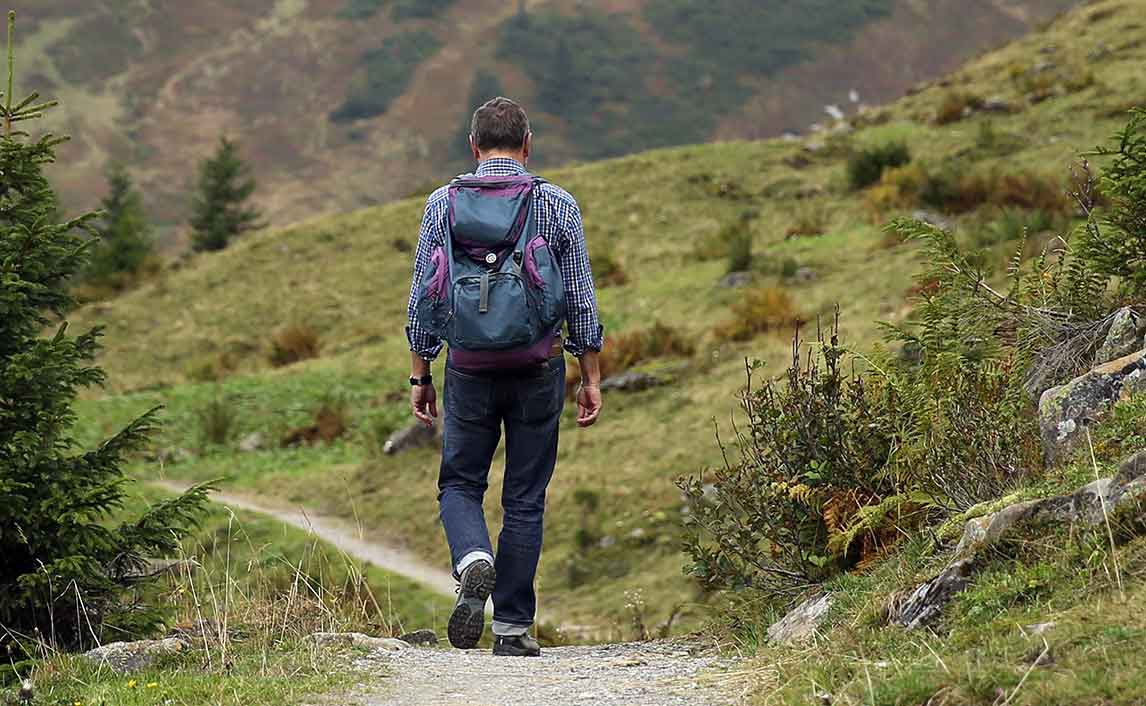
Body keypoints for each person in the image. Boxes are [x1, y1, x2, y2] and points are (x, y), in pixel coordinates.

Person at [405, 97, 604, 657]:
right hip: (538, 366)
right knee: (525, 496)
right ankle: (513, 628)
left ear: (473, 146)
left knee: (460, 483)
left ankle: (473, 559)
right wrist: (590, 374)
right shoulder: (557, 204)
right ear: (527, 144)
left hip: (467, 367)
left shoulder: (442, 204)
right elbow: (581, 299)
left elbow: (425, 293)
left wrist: (420, 374)